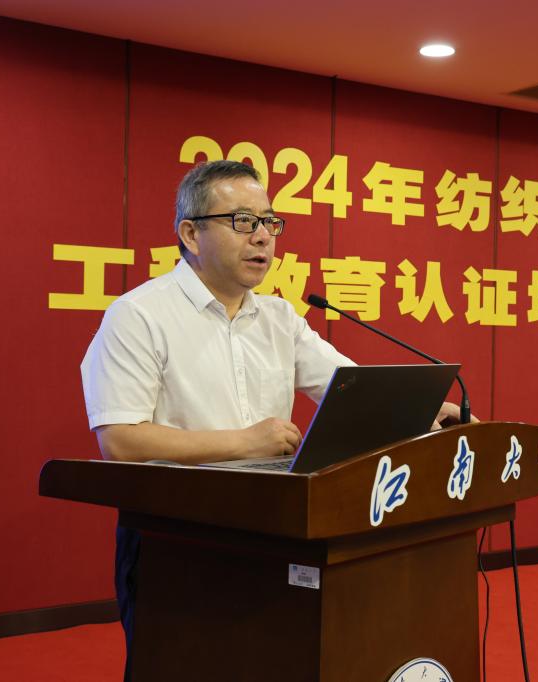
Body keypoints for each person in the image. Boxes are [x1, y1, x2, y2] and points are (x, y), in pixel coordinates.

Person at [80, 160, 462, 678]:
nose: (263, 237)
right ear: (191, 234)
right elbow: (121, 441)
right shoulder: (140, 315)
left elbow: (353, 389)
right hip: (177, 538)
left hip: (272, 528)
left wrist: (422, 410)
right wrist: (245, 442)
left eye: (270, 222)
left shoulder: (280, 319)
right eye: (243, 221)